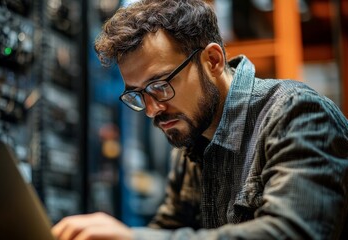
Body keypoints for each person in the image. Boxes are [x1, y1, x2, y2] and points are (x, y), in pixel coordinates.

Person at [52, 0, 348, 239]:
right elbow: (166, 230)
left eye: (159, 86)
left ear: (213, 61)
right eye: (138, 94)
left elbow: (292, 231)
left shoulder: (297, 113)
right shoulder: (193, 139)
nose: (153, 109)